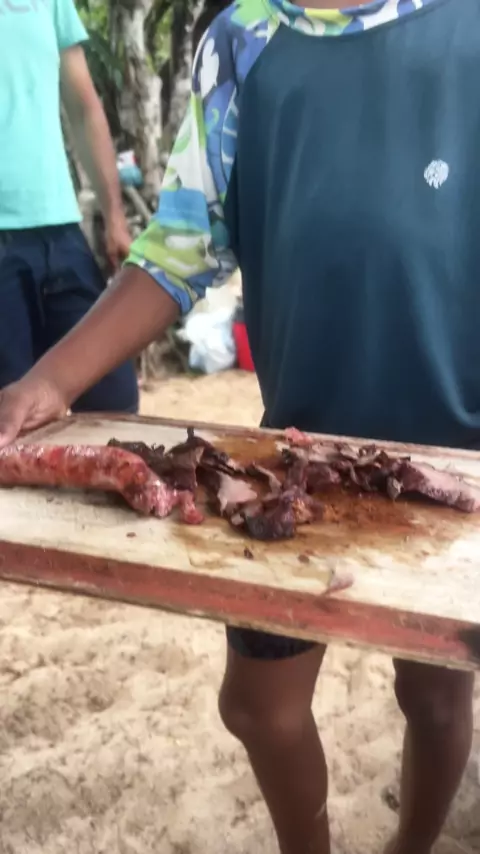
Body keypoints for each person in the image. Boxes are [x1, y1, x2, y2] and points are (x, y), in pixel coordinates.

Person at [0, 0, 476, 851]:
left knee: (435, 694)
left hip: (455, 455)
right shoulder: (244, 39)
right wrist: (48, 380)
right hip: (294, 456)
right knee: (259, 707)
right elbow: (182, 246)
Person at [0, 0, 138, 413]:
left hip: (62, 234)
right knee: (12, 423)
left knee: (114, 402)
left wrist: (114, 216)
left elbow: (83, 107)